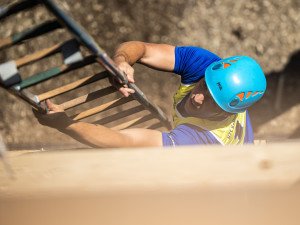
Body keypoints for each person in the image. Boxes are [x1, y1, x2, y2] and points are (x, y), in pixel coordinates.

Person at [33, 41, 267, 148]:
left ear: (225, 111)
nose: (197, 97)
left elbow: (126, 141)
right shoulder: (210, 67)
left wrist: (65, 124)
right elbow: (142, 49)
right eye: (204, 87)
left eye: (211, 102)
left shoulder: (202, 139)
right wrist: (121, 62)